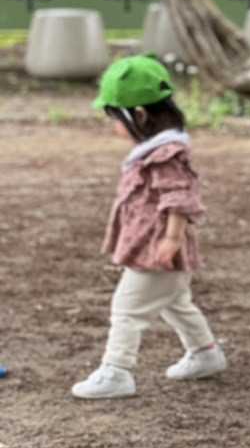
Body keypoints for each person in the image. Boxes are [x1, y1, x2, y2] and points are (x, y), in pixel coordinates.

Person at [72, 56, 225, 400]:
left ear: (139, 115)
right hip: (153, 247)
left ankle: (117, 370)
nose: (113, 127)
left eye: (115, 118)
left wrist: (171, 238)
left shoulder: (165, 155)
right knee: (176, 303)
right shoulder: (151, 151)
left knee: (126, 308)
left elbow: (179, 197)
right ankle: (206, 353)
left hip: (157, 249)